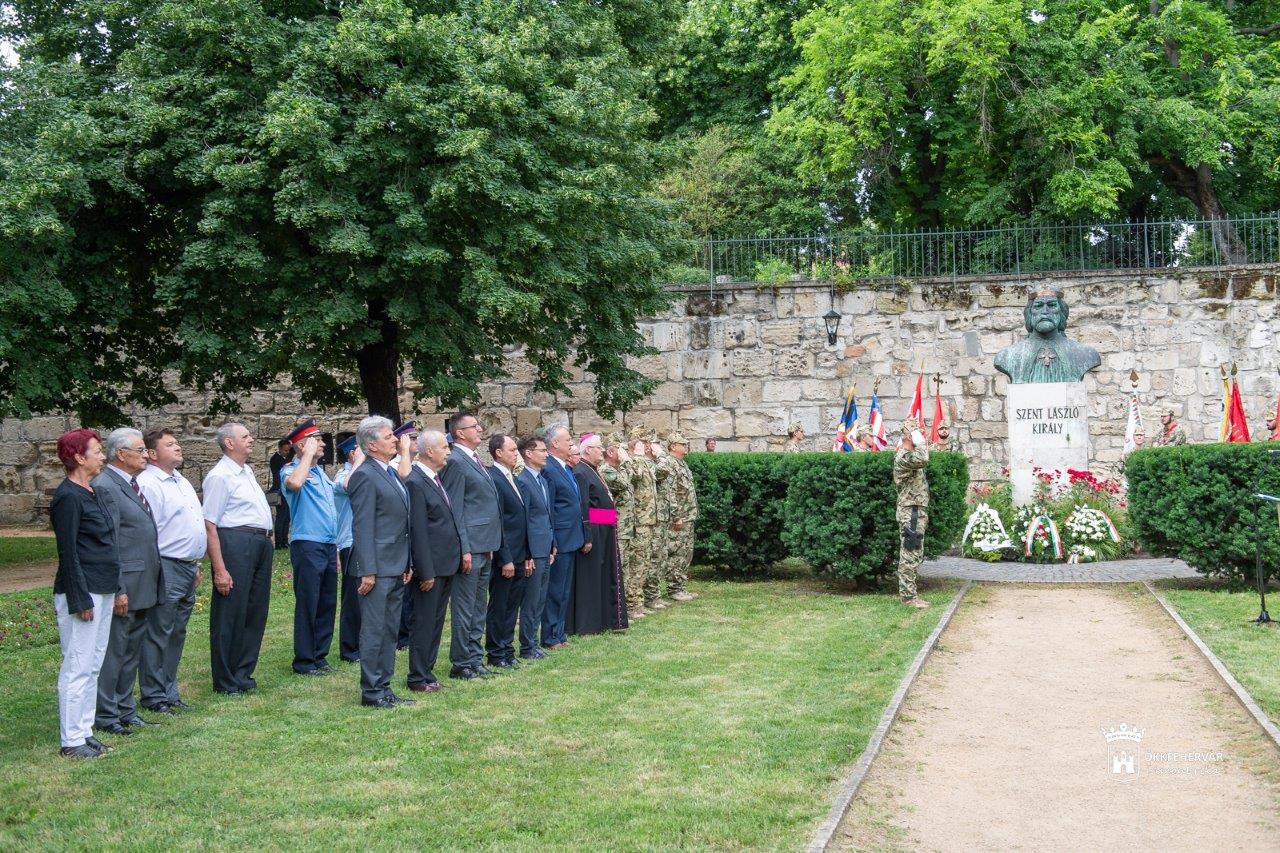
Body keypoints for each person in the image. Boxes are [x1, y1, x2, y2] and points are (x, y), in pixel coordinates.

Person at [92, 427, 164, 737]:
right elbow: (110, 542)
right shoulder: (106, 486)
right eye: (140, 450)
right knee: (115, 650)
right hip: (126, 583)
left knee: (131, 649)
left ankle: (125, 709)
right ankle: (107, 715)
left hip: (143, 580)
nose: (147, 455)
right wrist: (118, 588)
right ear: (121, 454)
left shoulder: (130, 485)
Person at [50, 428, 117, 758]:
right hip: (83, 591)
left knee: (93, 664)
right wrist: (80, 599)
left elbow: (106, 545)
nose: (102, 456)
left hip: (103, 587)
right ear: (78, 457)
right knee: (77, 664)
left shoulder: (92, 492)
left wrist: (115, 589)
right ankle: (71, 739)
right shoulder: (68, 497)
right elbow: (69, 552)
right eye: (97, 451)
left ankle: (84, 730)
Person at [137, 428, 206, 715]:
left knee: (177, 631)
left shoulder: (180, 480)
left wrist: (196, 563)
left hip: (188, 567)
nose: (178, 447)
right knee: (159, 630)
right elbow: (147, 532)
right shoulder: (149, 483)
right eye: (170, 444)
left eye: (177, 442)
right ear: (152, 454)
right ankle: (154, 695)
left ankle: (169, 689)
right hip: (166, 565)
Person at [202, 422, 274, 695]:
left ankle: (243, 672)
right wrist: (219, 568)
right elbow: (210, 524)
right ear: (229, 443)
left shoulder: (246, 472)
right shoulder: (220, 476)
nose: (252, 439)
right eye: (245, 436)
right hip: (235, 542)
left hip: (259, 542)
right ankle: (226, 678)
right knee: (231, 611)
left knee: (255, 609)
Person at [347, 416, 414, 708]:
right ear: (372, 444)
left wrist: (407, 562)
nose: (395, 440)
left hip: (396, 564)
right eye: (389, 437)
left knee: (389, 629)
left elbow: (401, 523)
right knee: (375, 630)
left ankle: (384, 686)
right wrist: (368, 570)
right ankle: (372, 690)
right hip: (377, 567)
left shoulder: (387, 473)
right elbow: (363, 526)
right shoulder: (365, 475)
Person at [439, 411, 504, 679]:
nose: (480, 429)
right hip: (470, 547)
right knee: (465, 608)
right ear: (459, 433)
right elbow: (455, 509)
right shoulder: (455, 461)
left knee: (479, 607)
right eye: (474, 426)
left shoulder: (475, 459)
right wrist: (463, 548)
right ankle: (461, 662)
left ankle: (475, 659)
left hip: (484, 544)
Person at [404, 430, 463, 693]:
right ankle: (417, 676)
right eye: (443, 447)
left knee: (436, 621)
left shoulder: (434, 479)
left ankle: (427, 671)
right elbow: (418, 530)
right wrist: (425, 571)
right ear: (429, 451)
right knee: (424, 621)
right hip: (431, 567)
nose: (448, 451)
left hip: (445, 564)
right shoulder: (416, 482)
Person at [279, 418, 339, 676]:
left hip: (327, 545)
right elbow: (294, 484)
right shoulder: (291, 470)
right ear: (302, 445)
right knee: (308, 602)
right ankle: (304, 660)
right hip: (307, 544)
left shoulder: (320, 475)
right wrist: (306, 455)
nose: (323, 443)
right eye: (317, 440)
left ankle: (319, 655)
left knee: (326, 602)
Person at [569, 434, 628, 634]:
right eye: (598, 447)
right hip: (595, 531)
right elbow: (584, 507)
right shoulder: (581, 472)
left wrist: (610, 516)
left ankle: (605, 619)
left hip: (604, 530)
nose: (602, 451)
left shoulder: (591, 470)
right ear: (587, 450)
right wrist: (606, 518)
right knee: (591, 579)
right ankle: (589, 624)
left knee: (604, 576)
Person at [486, 433, 532, 667]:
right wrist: (505, 558)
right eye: (512, 450)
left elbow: (521, 519)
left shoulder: (511, 477)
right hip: (506, 556)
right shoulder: (494, 477)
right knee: (500, 605)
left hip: (520, 554)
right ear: (498, 453)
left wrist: (527, 554)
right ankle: (496, 652)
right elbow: (500, 521)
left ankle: (507, 649)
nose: (517, 453)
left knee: (512, 605)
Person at [541, 424, 587, 649]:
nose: (571, 442)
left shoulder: (565, 468)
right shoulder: (549, 468)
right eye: (567, 439)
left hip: (572, 537)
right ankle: (549, 636)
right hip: (560, 538)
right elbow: (549, 508)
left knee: (563, 590)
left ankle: (559, 633)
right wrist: (553, 541)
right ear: (554, 444)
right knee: (555, 590)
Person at [516, 434, 556, 659]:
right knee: (531, 599)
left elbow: (547, 516)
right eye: (542, 450)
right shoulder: (523, 480)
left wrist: (553, 544)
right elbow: (524, 520)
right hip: (533, 549)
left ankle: (533, 642)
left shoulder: (542, 479)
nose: (546, 454)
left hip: (545, 546)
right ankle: (528, 645)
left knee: (540, 597)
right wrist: (527, 552)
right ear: (529, 454)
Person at [600, 434, 641, 619]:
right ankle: (618, 610)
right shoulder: (606, 470)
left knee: (627, 568)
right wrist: (626, 460)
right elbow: (624, 483)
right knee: (619, 568)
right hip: (616, 527)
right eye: (620, 449)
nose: (625, 453)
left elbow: (633, 477)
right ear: (610, 452)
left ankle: (625, 608)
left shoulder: (618, 469)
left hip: (625, 527)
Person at [625, 426, 662, 613]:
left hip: (647, 520)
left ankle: (639, 602)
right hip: (637, 522)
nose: (649, 447)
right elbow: (635, 477)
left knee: (644, 563)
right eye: (646, 443)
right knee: (636, 564)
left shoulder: (645, 462)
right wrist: (638, 455)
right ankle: (632, 605)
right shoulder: (632, 461)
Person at [332, 433, 362, 663]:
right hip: (351, 542)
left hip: (365, 542)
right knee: (353, 598)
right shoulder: (343, 475)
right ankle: (349, 648)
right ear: (352, 453)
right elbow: (349, 485)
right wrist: (359, 461)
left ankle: (363, 643)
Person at [894, 428, 931, 609]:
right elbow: (923, 458)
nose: (921, 436)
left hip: (916, 510)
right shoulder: (904, 457)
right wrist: (921, 442)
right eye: (916, 432)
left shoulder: (910, 455)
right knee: (909, 553)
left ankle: (910, 594)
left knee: (915, 552)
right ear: (909, 436)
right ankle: (909, 598)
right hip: (911, 511)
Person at [661, 432, 699, 603]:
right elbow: (670, 494)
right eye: (682, 444)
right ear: (673, 446)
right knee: (677, 553)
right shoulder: (669, 464)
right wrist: (676, 516)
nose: (686, 446)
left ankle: (680, 587)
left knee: (685, 553)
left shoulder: (681, 463)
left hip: (687, 516)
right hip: (679, 518)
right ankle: (674, 589)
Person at [268, 439, 293, 549]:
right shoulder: (275, 459)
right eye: (285, 450)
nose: (287, 452)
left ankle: (285, 540)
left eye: (288, 450)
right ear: (280, 449)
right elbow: (279, 475)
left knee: (287, 517)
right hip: (279, 490)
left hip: (286, 491)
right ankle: (278, 543)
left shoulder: (287, 458)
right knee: (281, 517)